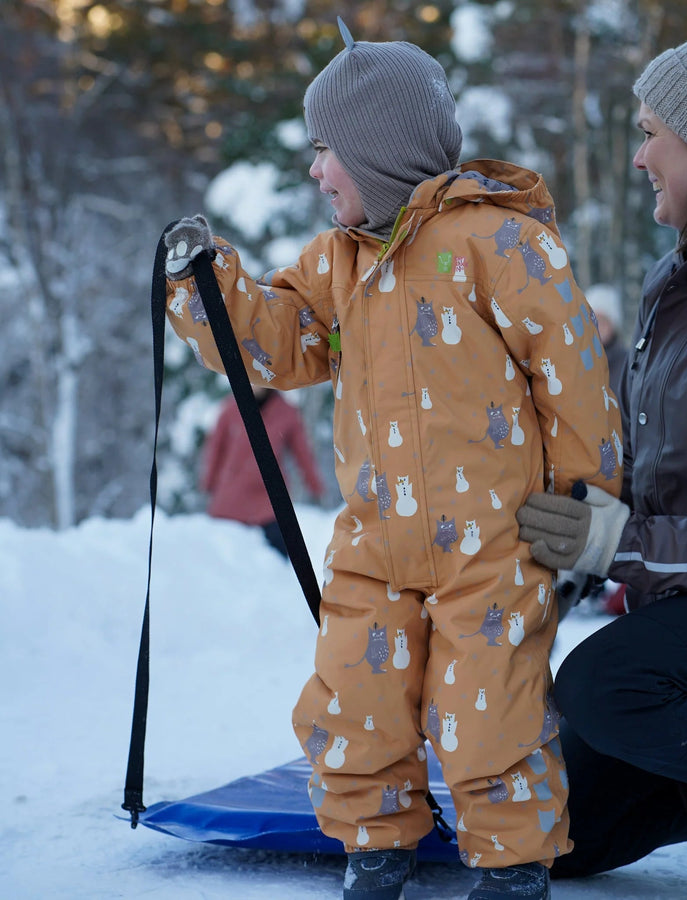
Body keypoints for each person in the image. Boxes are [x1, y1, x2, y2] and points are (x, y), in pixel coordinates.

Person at [162, 18, 620, 900]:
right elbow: (276, 344)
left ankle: (513, 864)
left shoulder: (501, 244)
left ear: (377, 151)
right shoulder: (338, 264)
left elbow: (575, 381)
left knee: (492, 713)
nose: (314, 169)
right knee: (353, 700)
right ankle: (375, 845)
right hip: (374, 544)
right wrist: (206, 286)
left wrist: (587, 515)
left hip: (494, 546)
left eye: (324, 149)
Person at [516, 30, 687, 881]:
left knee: (610, 686)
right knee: (560, 833)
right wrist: (564, 534)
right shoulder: (674, 289)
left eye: (651, 134)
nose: (638, 158)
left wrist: (618, 544)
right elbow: (649, 461)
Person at [200, 386, 325, 558]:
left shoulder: (286, 412)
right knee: (223, 556)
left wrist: (315, 486)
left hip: (268, 497)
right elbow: (215, 449)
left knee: (283, 556)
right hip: (232, 495)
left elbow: (302, 454)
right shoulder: (230, 408)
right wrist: (208, 483)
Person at [584, 283, 627, 401]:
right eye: (593, 320)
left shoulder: (626, 362)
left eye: (603, 321)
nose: (597, 326)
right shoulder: (578, 359)